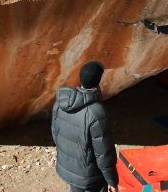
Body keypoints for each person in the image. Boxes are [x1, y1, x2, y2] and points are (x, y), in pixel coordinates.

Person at [51, 61, 119, 192]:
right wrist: (112, 181)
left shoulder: (61, 103)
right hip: (89, 177)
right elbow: (103, 154)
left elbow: (56, 135)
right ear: (98, 81)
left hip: (67, 168)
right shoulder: (96, 113)